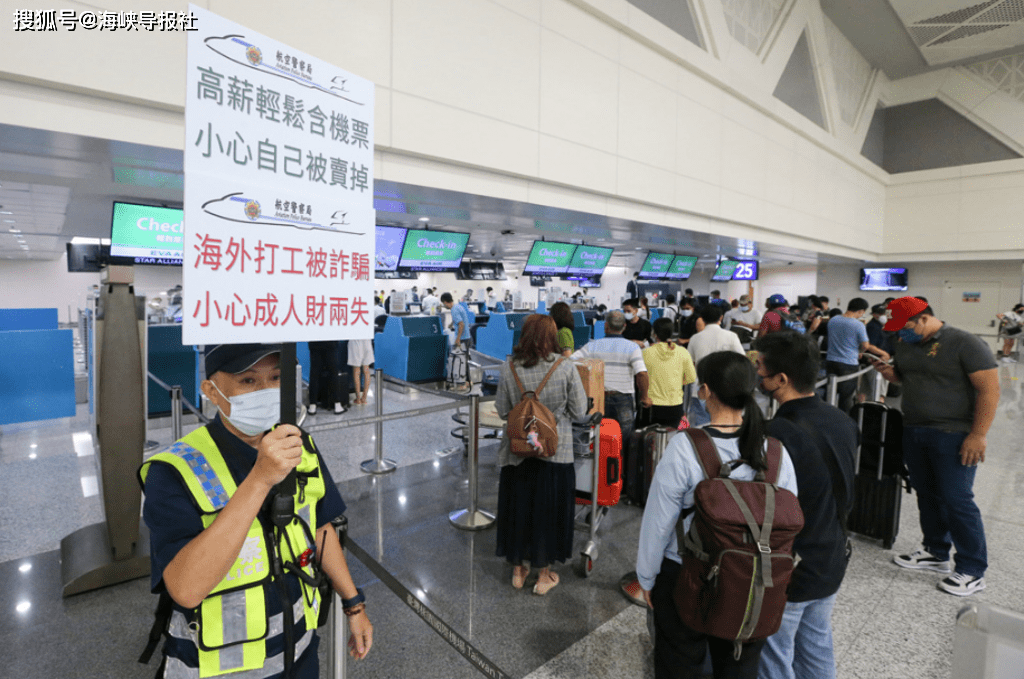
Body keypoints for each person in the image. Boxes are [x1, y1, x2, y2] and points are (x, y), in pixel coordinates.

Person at [140, 344, 373, 678]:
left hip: (300, 654)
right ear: (211, 390)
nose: (267, 392)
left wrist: (354, 605)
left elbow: (320, 528)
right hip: (221, 669)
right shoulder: (174, 471)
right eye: (248, 381)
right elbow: (186, 588)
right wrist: (260, 478)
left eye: (276, 377)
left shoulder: (298, 445)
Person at [636, 351, 798, 679]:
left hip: (686, 575)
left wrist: (647, 579)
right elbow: (787, 520)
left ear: (705, 391)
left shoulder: (685, 447)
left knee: (680, 662)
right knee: (738, 667)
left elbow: (658, 522)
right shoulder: (776, 451)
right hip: (754, 579)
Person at [872, 297, 999, 596]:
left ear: (924, 319)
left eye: (904, 327)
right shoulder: (906, 344)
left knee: (957, 499)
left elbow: (990, 391)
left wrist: (978, 435)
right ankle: (935, 551)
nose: (899, 335)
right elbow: (908, 377)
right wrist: (891, 375)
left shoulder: (965, 343)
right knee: (926, 492)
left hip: (954, 433)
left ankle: (972, 568)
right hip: (915, 428)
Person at [754, 332, 857, 679]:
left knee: (774, 654)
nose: (757, 376)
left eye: (760, 370)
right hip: (831, 554)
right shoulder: (842, 419)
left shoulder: (777, 433)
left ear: (781, 380)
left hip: (792, 565)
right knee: (816, 648)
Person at [495, 315, 588, 595]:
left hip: (518, 454)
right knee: (549, 512)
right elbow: (580, 412)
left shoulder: (508, 367)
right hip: (555, 455)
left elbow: (502, 410)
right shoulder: (566, 367)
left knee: (519, 510)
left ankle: (518, 569)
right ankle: (544, 575)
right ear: (552, 337)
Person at [572, 310, 651, 441]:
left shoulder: (592, 346)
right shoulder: (632, 348)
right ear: (624, 326)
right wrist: (644, 397)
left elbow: (571, 361)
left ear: (605, 326)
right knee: (623, 441)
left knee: (599, 440)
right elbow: (641, 374)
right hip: (623, 400)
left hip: (597, 400)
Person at [824, 298, 890, 414]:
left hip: (830, 361)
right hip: (848, 364)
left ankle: (826, 416)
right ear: (860, 311)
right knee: (846, 397)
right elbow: (866, 345)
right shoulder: (858, 325)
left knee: (830, 392)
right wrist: (863, 351)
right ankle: (844, 422)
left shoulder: (833, 320)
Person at [686, 304, 744, 427]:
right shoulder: (731, 336)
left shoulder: (695, 338)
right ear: (721, 318)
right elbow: (742, 360)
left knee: (702, 423)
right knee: (724, 422)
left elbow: (689, 364)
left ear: (702, 318)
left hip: (700, 387)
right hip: (726, 386)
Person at [641, 318, 696, 429]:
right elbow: (691, 378)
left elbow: (640, 376)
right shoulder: (683, 352)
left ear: (655, 334)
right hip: (675, 404)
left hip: (652, 405)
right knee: (672, 438)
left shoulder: (646, 353)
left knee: (650, 440)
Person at [442, 292, 472, 392]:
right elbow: (458, 321)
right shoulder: (458, 307)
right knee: (464, 360)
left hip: (462, 339)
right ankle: (468, 381)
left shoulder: (454, 310)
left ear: (446, 302)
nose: (444, 305)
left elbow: (461, 324)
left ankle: (462, 384)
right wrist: (450, 326)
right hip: (467, 337)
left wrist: (458, 338)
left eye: (443, 303)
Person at [307, 340, 347, 415]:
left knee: (314, 375)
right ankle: (337, 404)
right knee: (333, 374)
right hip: (330, 343)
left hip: (315, 343)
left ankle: (312, 405)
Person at [347, 338, 374, 406]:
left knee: (356, 370)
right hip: (367, 342)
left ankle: (358, 399)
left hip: (355, 341)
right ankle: (364, 398)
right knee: (366, 370)